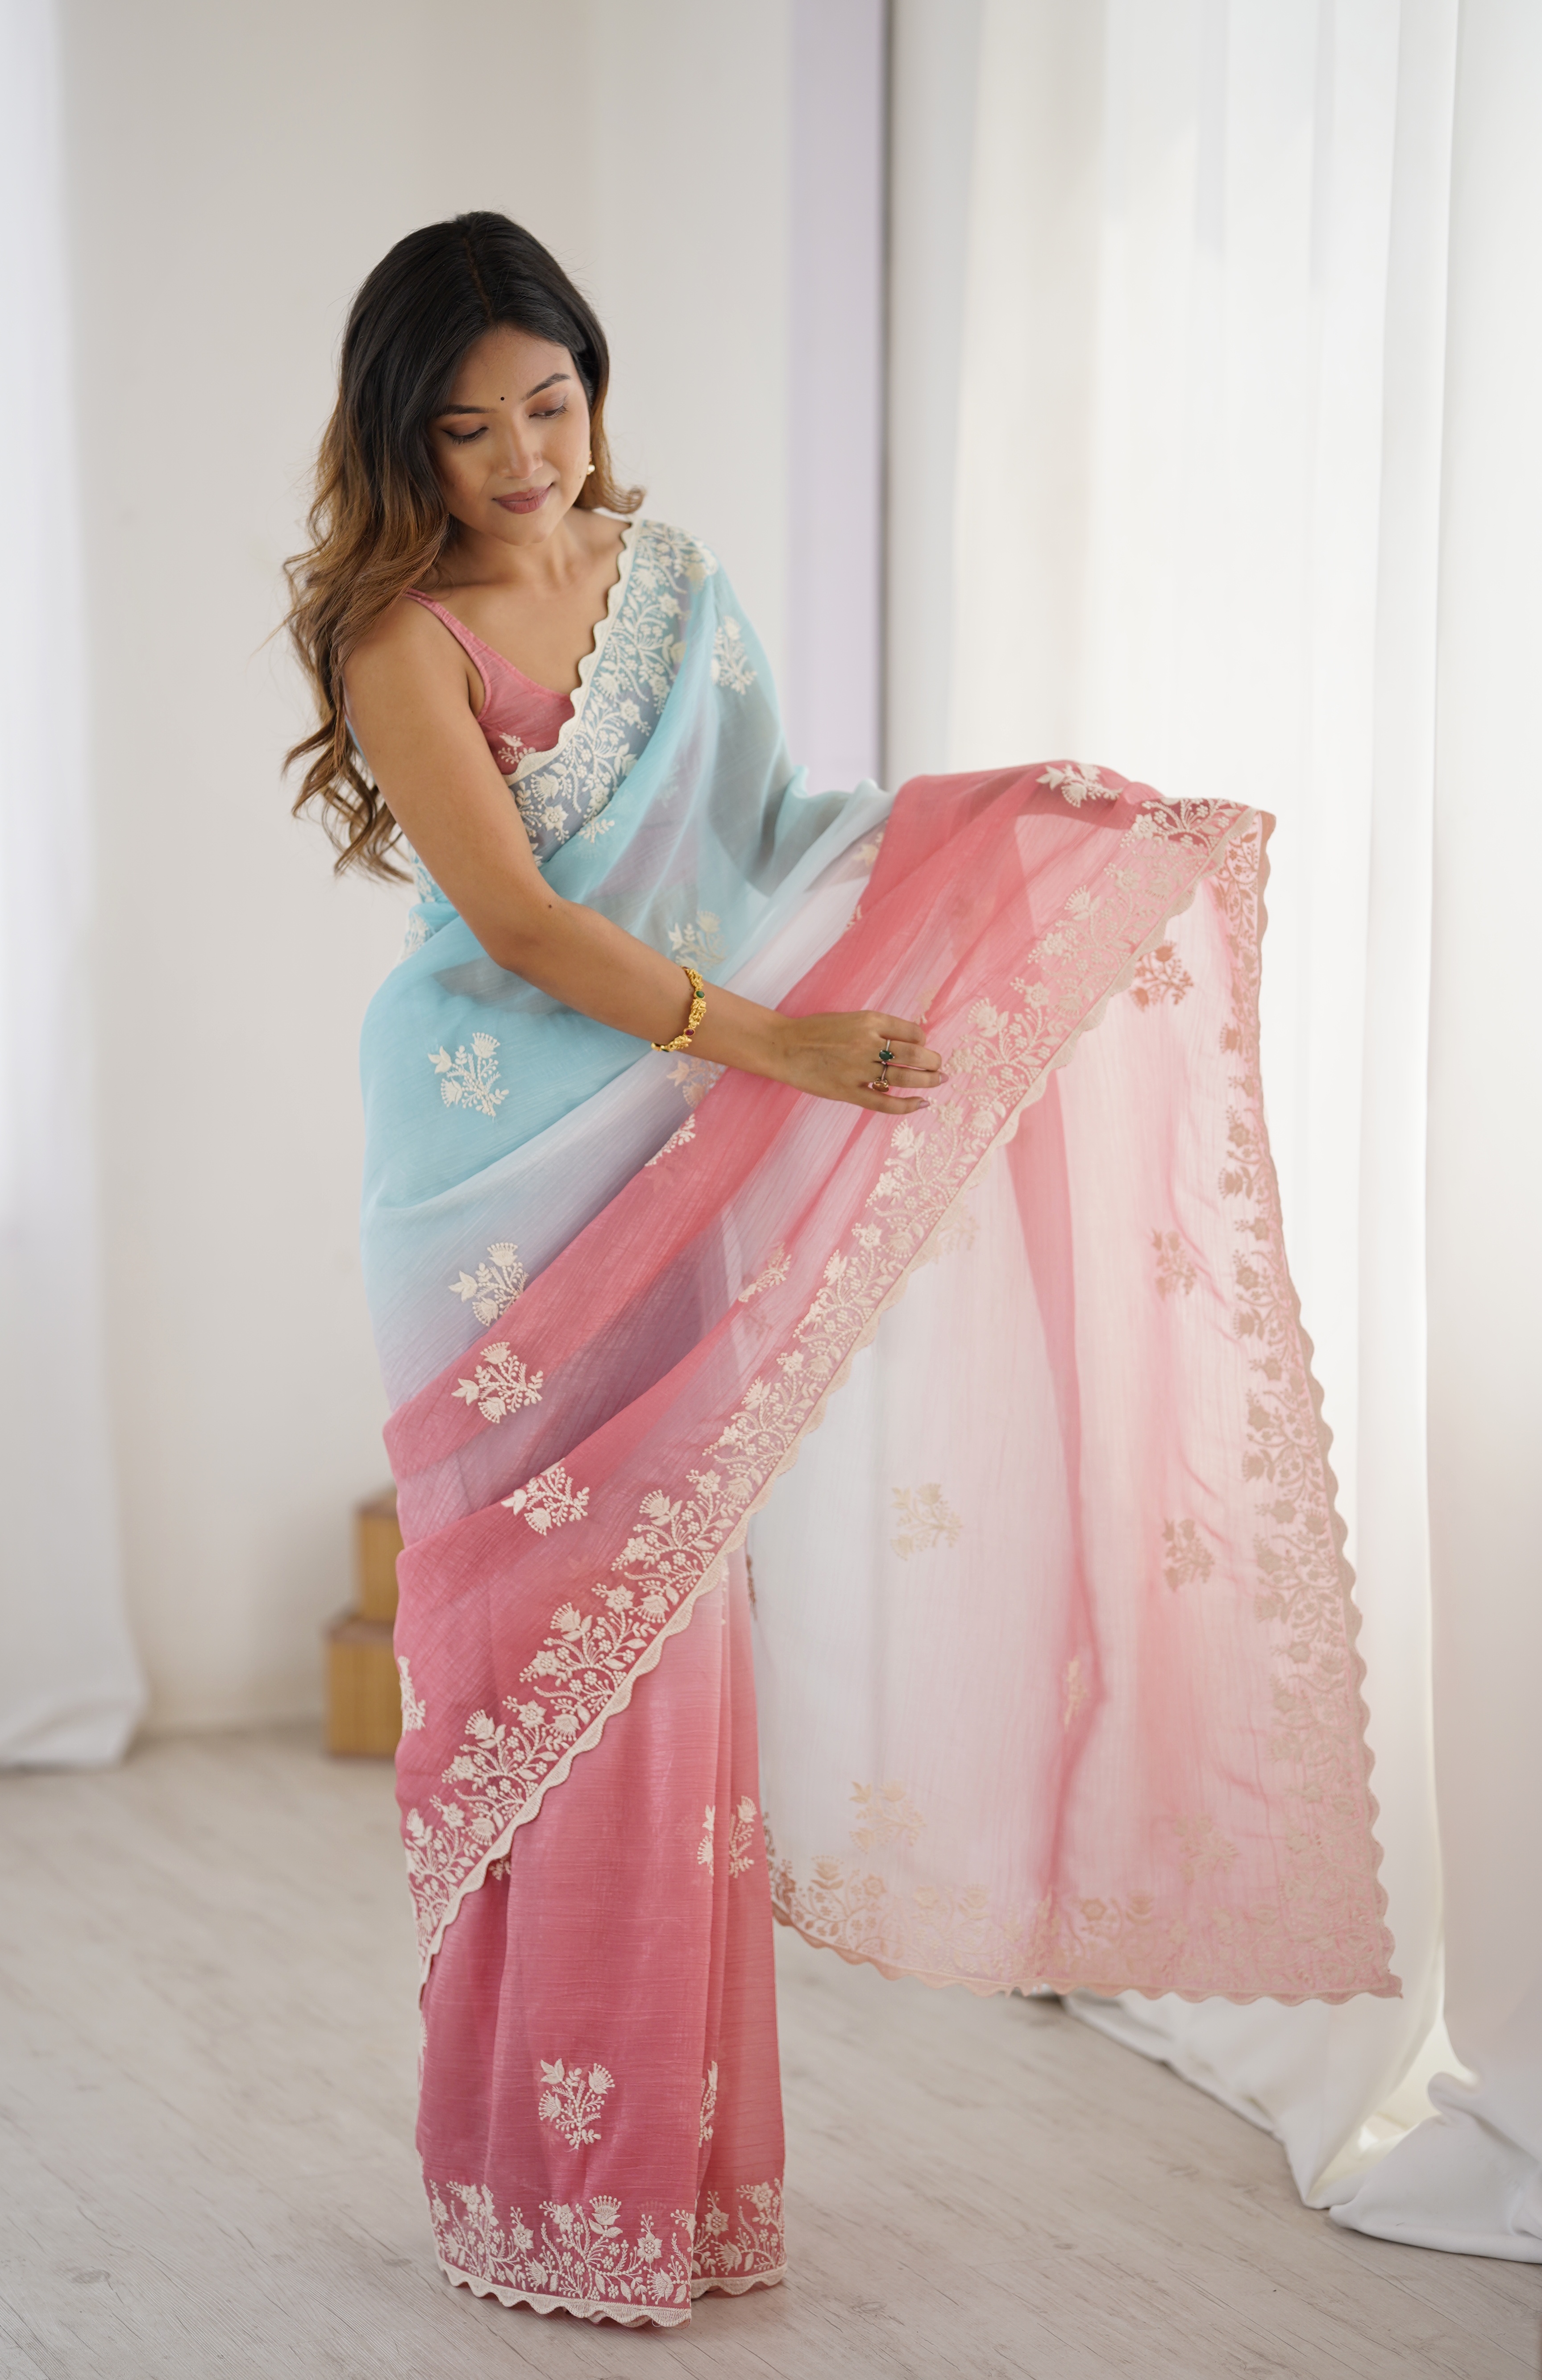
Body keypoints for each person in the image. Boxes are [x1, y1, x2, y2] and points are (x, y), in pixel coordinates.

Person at [284, 212, 1396, 2331]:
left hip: (679, 1148)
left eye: (550, 404)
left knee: (678, 1633)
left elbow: (781, 836)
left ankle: (670, 2174)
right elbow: (519, 922)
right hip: (494, 1174)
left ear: (594, 389)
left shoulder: (675, 587)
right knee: (552, 1654)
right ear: (400, 442)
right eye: (467, 429)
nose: (523, 458)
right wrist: (780, 1043)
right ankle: (542, 2176)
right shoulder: (400, 637)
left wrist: (998, 834)